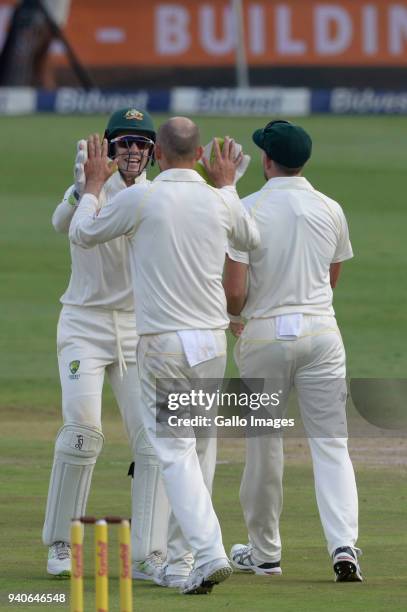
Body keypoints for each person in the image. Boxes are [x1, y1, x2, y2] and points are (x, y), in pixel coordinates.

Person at [68, 117, 260, 594]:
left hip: (162, 343)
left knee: (175, 452)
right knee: (199, 448)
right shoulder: (218, 199)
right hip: (211, 342)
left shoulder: (142, 196)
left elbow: (83, 234)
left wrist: (92, 186)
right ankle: (183, 561)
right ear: (198, 157)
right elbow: (251, 239)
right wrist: (229, 187)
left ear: (156, 156)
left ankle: (207, 552)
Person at [224, 120, 363, 582]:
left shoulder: (247, 209)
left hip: (264, 337)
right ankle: (344, 546)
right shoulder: (331, 207)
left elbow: (235, 294)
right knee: (332, 445)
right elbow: (332, 279)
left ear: (266, 161)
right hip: (323, 335)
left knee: (265, 449)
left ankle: (265, 555)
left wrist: (235, 317)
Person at [43, 108, 169, 580]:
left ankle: (149, 553)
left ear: (153, 152)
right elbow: (61, 222)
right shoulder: (90, 190)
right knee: (82, 432)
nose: (132, 151)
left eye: (140, 144)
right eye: (123, 144)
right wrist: (82, 187)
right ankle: (60, 542)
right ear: (109, 150)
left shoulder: (158, 197)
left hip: (138, 329)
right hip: (84, 324)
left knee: (153, 441)